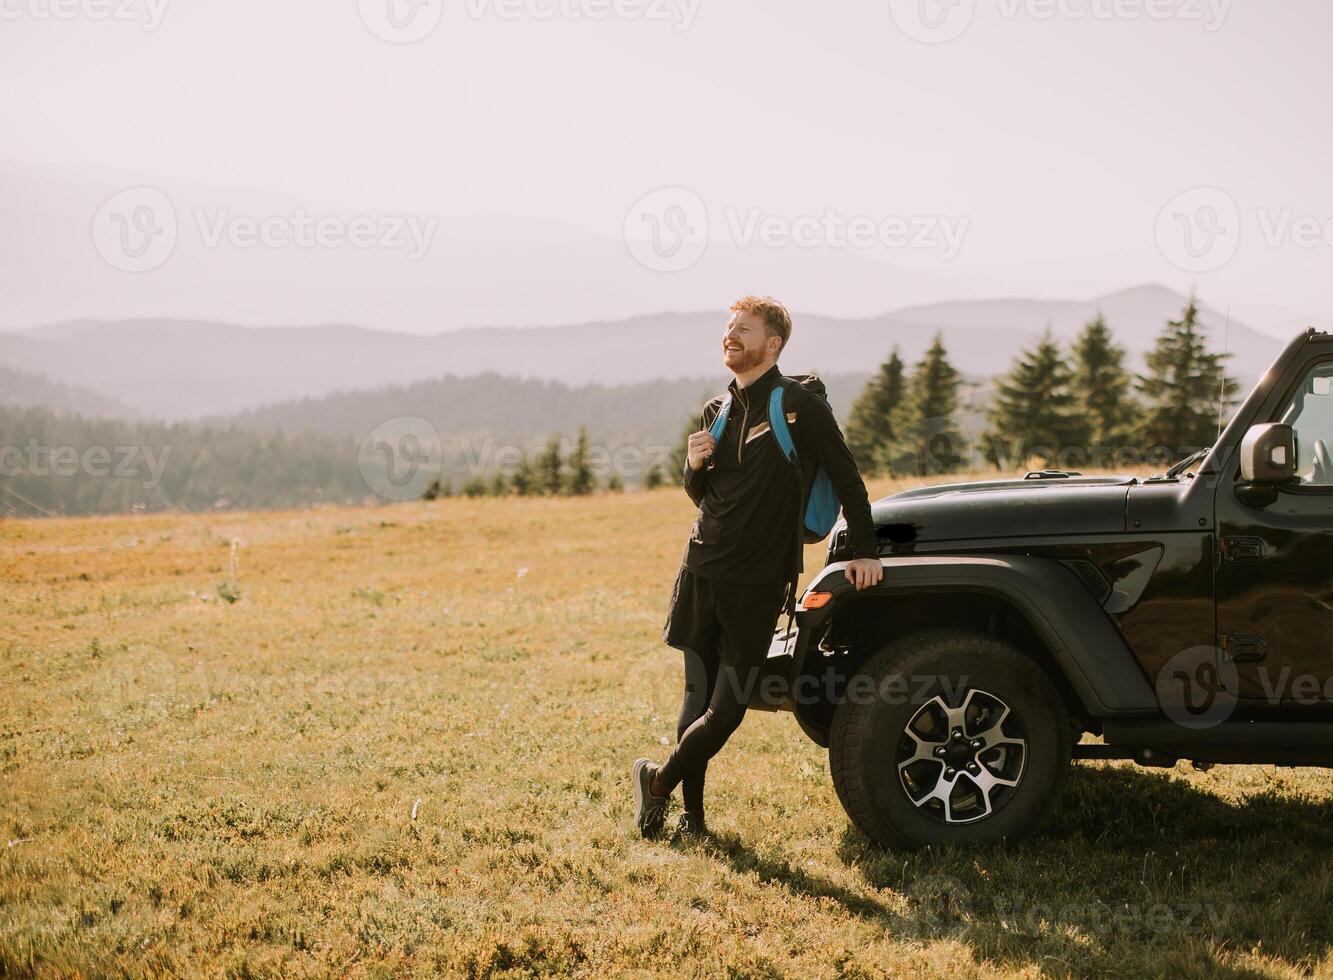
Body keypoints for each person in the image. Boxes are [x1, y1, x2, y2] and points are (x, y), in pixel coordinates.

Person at [633, 295, 883, 839]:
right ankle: (692, 819)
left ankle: (658, 782)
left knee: (727, 709)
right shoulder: (716, 411)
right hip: (700, 570)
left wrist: (864, 548)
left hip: (760, 581)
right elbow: (706, 495)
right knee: (695, 699)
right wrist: (693, 466)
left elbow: (848, 478)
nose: (731, 336)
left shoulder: (799, 406)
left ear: (772, 345)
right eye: (728, 328)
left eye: (742, 329)